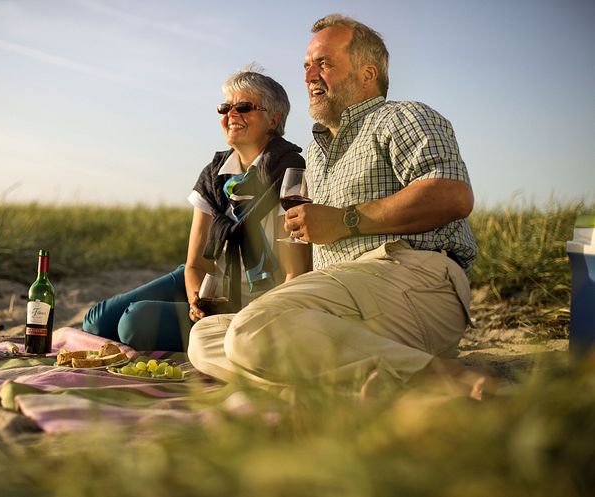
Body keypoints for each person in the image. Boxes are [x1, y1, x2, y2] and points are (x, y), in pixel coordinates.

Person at [187, 14, 481, 393]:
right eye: (307, 65)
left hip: (412, 279)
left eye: (324, 63)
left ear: (367, 73)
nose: (310, 75)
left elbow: (452, 194)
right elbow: (302, 261)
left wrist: (346, 221)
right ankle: (344, 389)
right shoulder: (314, 154)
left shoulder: (400, 117)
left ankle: (443, 381)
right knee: (206, 337)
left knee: (251, 329)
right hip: (338, 299)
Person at [82, 68, 310, 352]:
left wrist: (254, 318)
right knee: (96, 322)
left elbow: (295, 274)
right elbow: (195, 264)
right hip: (206, 283)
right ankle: (184, 315)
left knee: (133, 323)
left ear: (274, 119)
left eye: (244, 107)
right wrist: (197, 302)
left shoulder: (289, 175)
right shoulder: (214, 176)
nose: (231, 115)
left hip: (254, 300)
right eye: (225, 107)